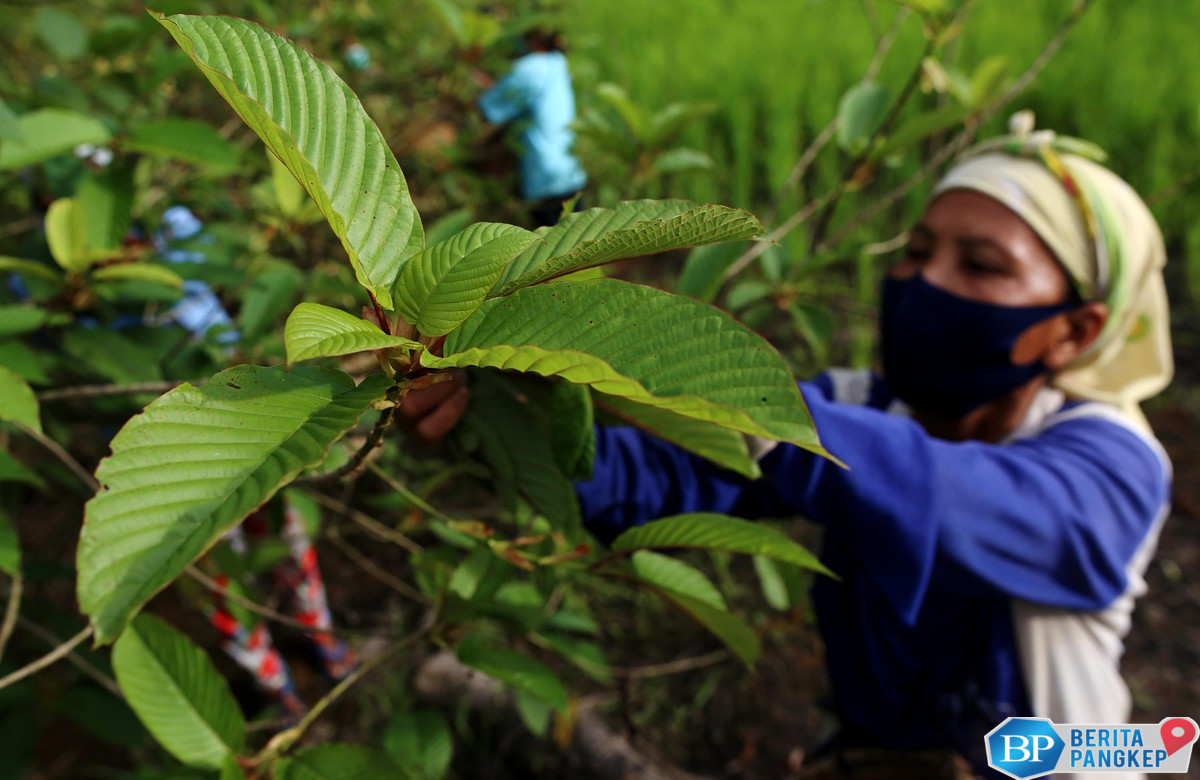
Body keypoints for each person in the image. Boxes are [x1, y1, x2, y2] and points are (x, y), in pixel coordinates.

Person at [399, 118, 1173, 779]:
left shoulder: (1114, 463)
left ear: (1076, 329)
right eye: (916, 249)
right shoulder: (858, 403)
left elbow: (951, 494)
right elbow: (663, 479)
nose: (923, 282)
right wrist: (499, 414)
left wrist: (656, 360)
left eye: (980, 265)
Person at [476, 26, 587, 226]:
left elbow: (489, 108)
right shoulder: (558, 63)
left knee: (550, 250)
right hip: (570, 174)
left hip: (544, 179)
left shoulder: (530, 68)